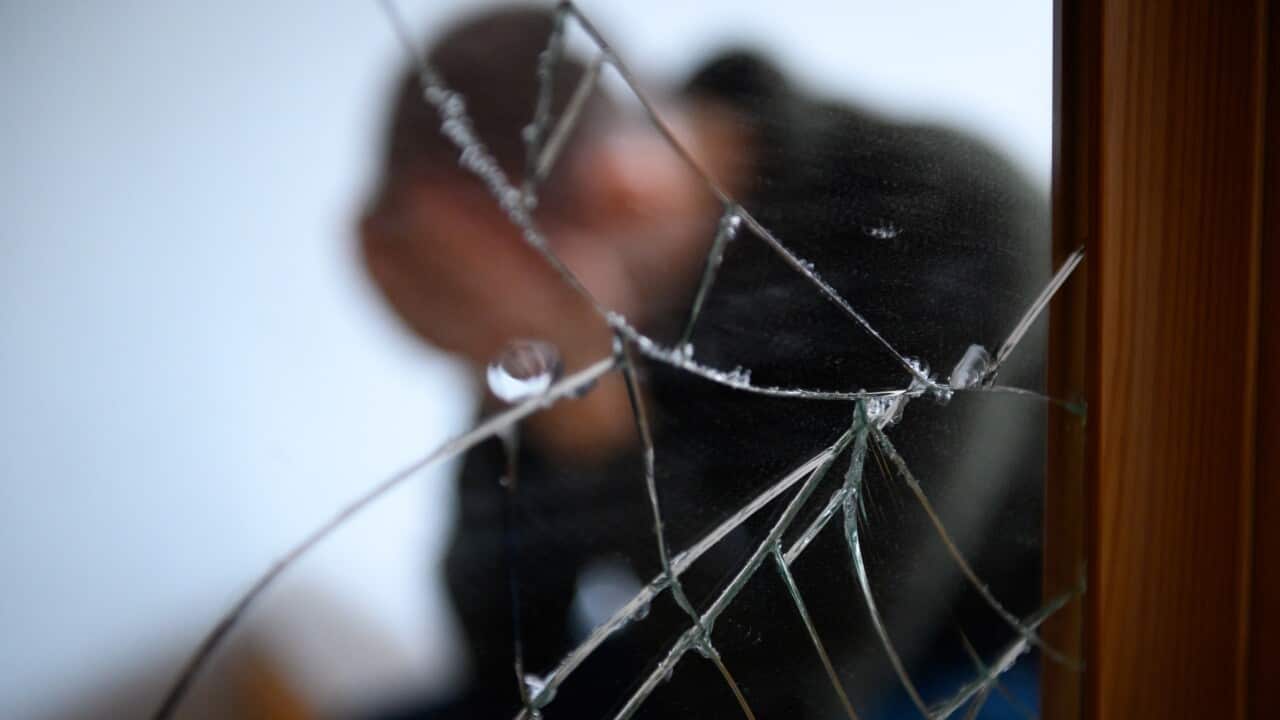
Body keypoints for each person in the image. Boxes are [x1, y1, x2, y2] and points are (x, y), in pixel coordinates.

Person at [359, 6, 1050, 718]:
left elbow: (792, 689)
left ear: (622, 188)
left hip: (978, 662)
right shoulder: (601, 238)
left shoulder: (948, 225)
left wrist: (584, 395)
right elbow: (506, 659)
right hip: (709, 655)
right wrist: (509, 362)